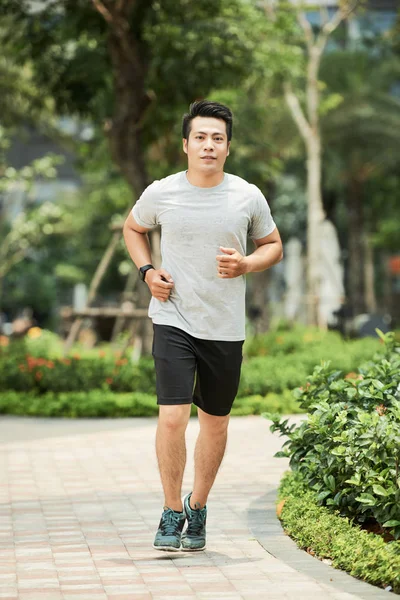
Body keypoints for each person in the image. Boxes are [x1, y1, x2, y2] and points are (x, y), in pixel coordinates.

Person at [123, 100, 283, 552]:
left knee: (215, 424)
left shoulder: (247, 195)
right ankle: (172, 510)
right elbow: (132, 229)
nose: (208, 145)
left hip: (224, 327)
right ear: (186, 145)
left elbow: (273, 245)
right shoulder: (162, 192)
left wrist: (247, 263)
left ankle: (199, 505)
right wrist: (148, 273)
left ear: (228, 147)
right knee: (172, 418)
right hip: (173, 318)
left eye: (217, 138)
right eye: (200, 137)